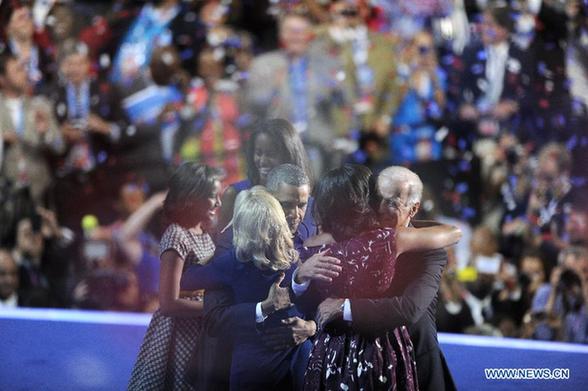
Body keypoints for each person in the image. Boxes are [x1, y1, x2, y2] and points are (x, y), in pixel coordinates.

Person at [293, 164, 461, 390]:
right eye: (378, 198)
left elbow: (409, 308)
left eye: (392, 202)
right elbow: (312, 303)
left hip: (415, 363)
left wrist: (344, 307)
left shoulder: (427, 247)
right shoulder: (337, 239)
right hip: (343, 363)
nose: (382, 208)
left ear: (413, 209)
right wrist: (300, 277)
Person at [201, 163, 329, 389]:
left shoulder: (310, 237)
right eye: (286, 205)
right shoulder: (232, 243)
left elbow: (322, 301)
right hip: (250, 372)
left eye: (302, 205)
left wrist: (311, 327)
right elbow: (214, 319)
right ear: (267, 199)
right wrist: (262, 308)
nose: (295, 215)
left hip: (300, 370)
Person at [180, 187, 313, 390]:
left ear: (241, 227)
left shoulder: (232, 263)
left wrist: (210, 257)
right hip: (299, 360)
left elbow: (186, 280)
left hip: (254, 368)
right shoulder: (296, 258)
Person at [128, 162, 223, 390]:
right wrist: (212, 307)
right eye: (213, 196)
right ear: (192, 197)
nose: (218, 203)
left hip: (201, 329)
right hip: (179, 334)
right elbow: (168, 304)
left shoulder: (204, 231)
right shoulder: (176, 236)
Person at [217, 118, 312, 230]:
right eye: (258, 153)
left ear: (289, 155)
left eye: (271, 154)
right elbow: (221, 242)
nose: (262, 161)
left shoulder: (304, 198)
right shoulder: (234, 194)